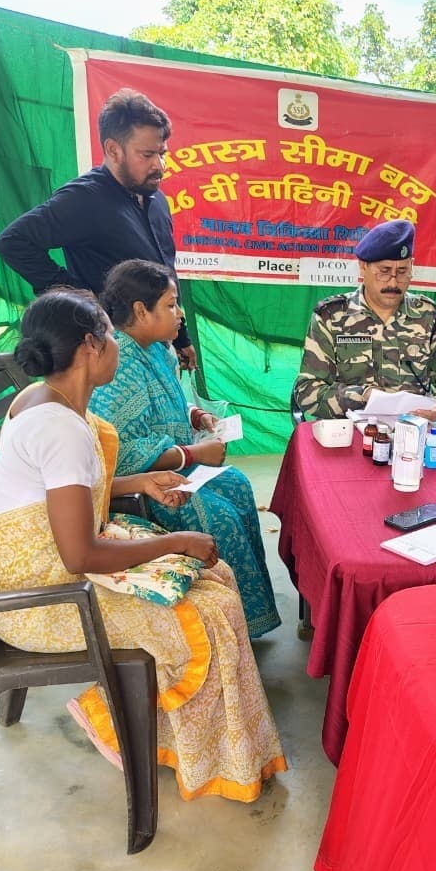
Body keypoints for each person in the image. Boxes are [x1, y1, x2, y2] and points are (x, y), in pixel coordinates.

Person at [0, 288, 285, 801]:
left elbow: (67, 494)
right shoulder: (60, 426)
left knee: (217, 579)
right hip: (47, 597)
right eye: (109, 334)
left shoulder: (44, 399)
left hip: (50, 563)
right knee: (210, 612)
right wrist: (180, 541)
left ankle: (177, 734)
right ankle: (114, 720)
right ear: (89, 346)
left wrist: (135, 485)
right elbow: (82, 556)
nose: (118, 346)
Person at [89, 259, 281, 639]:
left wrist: (196, 417)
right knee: (217, 515)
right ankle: (222, 627)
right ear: (142, 311)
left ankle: (249, 616)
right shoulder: (120, 362)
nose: (180, 314)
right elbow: (120, 454)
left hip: (172, 463)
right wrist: (193, 455)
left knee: (237, 485)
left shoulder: (158, 347)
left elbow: (168, 403)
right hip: (139, 484)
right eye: (172, 305)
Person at [0, 89, 197, 371]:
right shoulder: (84, 198)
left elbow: (165, 274)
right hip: (112, 357)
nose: (159, 165)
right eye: (147, 154)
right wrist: (79, 299)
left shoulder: (157, 200)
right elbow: (12, 242)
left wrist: (180, 336)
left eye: (162, 154)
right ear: (114, 149)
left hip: (156, 351)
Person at [291, 219, 436, 422]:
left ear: (412, 267)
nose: (393, 282)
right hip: (349, 436)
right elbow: (307, 390)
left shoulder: (429, 317)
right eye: (384, 272)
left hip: (413, 434)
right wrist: (362, 395)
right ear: (363, 268)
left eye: (402, 272)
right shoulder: (332, 317)